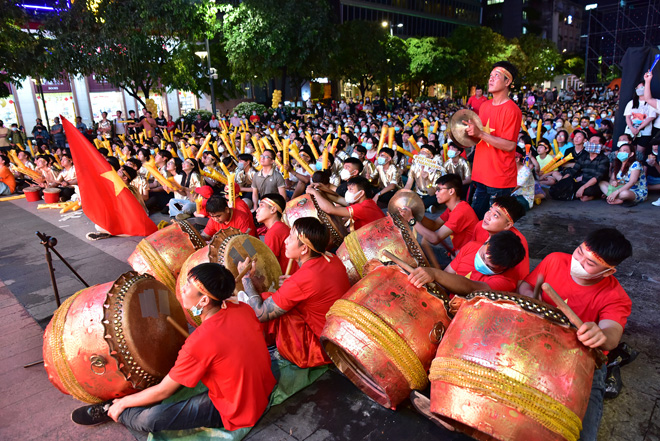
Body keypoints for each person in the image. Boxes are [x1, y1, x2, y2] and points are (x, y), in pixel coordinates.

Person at [71, 263, 276, 433]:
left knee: (152, 419)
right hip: (262, 389)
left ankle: (113, 408)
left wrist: (125, 403)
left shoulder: (200, 341)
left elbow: (163, 391)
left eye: (188, 286)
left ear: (204, 300)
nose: (183, 289)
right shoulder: (243, 309)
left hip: (239, 408)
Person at [518, 229, 633, 441]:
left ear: (608, 272)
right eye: (579, 251)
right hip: (539, 336)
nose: (578, 261)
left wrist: (601, 335)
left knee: (577, 432)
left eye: (589, 263)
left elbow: (613, 334)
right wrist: (529, 298)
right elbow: (526, 284)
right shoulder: (554, 260)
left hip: (584, 357)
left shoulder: (615, 297)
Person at [237, 217, 350, 368]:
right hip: (339, 338)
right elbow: (316, 284)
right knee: (276, 298)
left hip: (321, 348)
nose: (286, 241)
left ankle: (266, 344)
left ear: (304, 249)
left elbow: (260, 313)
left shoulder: (302, 280)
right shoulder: (331, 257)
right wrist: (295, 282)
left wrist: (246, 279)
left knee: (264, 299)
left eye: (291, 237)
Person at [466, 61, 522, 219]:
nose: (490, 79)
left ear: (507, 81)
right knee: (476, 220)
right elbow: (478, 137)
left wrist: (480, 134)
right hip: (481, 173)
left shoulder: (512, 110)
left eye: (496, 76)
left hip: (499, 177)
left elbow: (510, 145)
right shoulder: (484, 106)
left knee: (496, 226)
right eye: (490, 76)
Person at [407, 230, 526, 295]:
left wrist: (435, 274)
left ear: (505, 268)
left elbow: (471, 287)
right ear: (488, 240)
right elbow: (448, 272)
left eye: (490, 267)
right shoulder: (472, 247)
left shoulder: (507, 281)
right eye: (483, 256)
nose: (483, 263)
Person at [398, 174, 478, 255]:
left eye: (439, 189)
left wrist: (411, 220)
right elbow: (434, 225)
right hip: (460, 252)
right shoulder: (453, 208)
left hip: (470, 255)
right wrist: (418, 214)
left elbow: (435, 239)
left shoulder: (460, 211)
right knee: (424, 245)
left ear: (451, 191)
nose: (436, 193)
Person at [472, 196, 529, 282]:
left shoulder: (517, 243)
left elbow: (521, 279)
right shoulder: (480, 226)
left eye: (495, 215)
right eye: (489, 210)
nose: (487, 216)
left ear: (508, 225)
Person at [306, 176, 385, 232]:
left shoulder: (363, 207)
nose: (348, 192)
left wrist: (314, 192)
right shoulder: (365, 202)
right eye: (348, 189)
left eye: (351, 189)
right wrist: (322, 188)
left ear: (361, 193)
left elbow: (330, 209)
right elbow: (337, 198)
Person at [556, 134, 611, 202]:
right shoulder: (584, 157)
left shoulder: (603, 159)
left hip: (595, 184)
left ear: (600, 145)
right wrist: (562, 182)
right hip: (582, 182)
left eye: (593, 141)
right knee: (558, 188)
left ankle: (591, 195)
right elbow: (573, 171)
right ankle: (580, 195)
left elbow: (597, 177)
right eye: (589, 141)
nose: (590, 143)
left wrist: (583, 187)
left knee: (588, 190)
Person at [255, 193, 298, 275]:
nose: (257, 210)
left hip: (287, 279)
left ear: (273, 210)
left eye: (261, 206)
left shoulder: (274, 232)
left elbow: (268, 264)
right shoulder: (280, 227)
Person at [624, 80, 656, 154]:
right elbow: (627, 117)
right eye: (637, 88)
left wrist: (638, 128)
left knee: (640, 153)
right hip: (630, 131)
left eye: (642, 87)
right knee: (630, 151)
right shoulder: (631, 103)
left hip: (644, 132)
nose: (639, 90)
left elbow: (651, 117)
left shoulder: (651, 103)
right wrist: (632, 128)